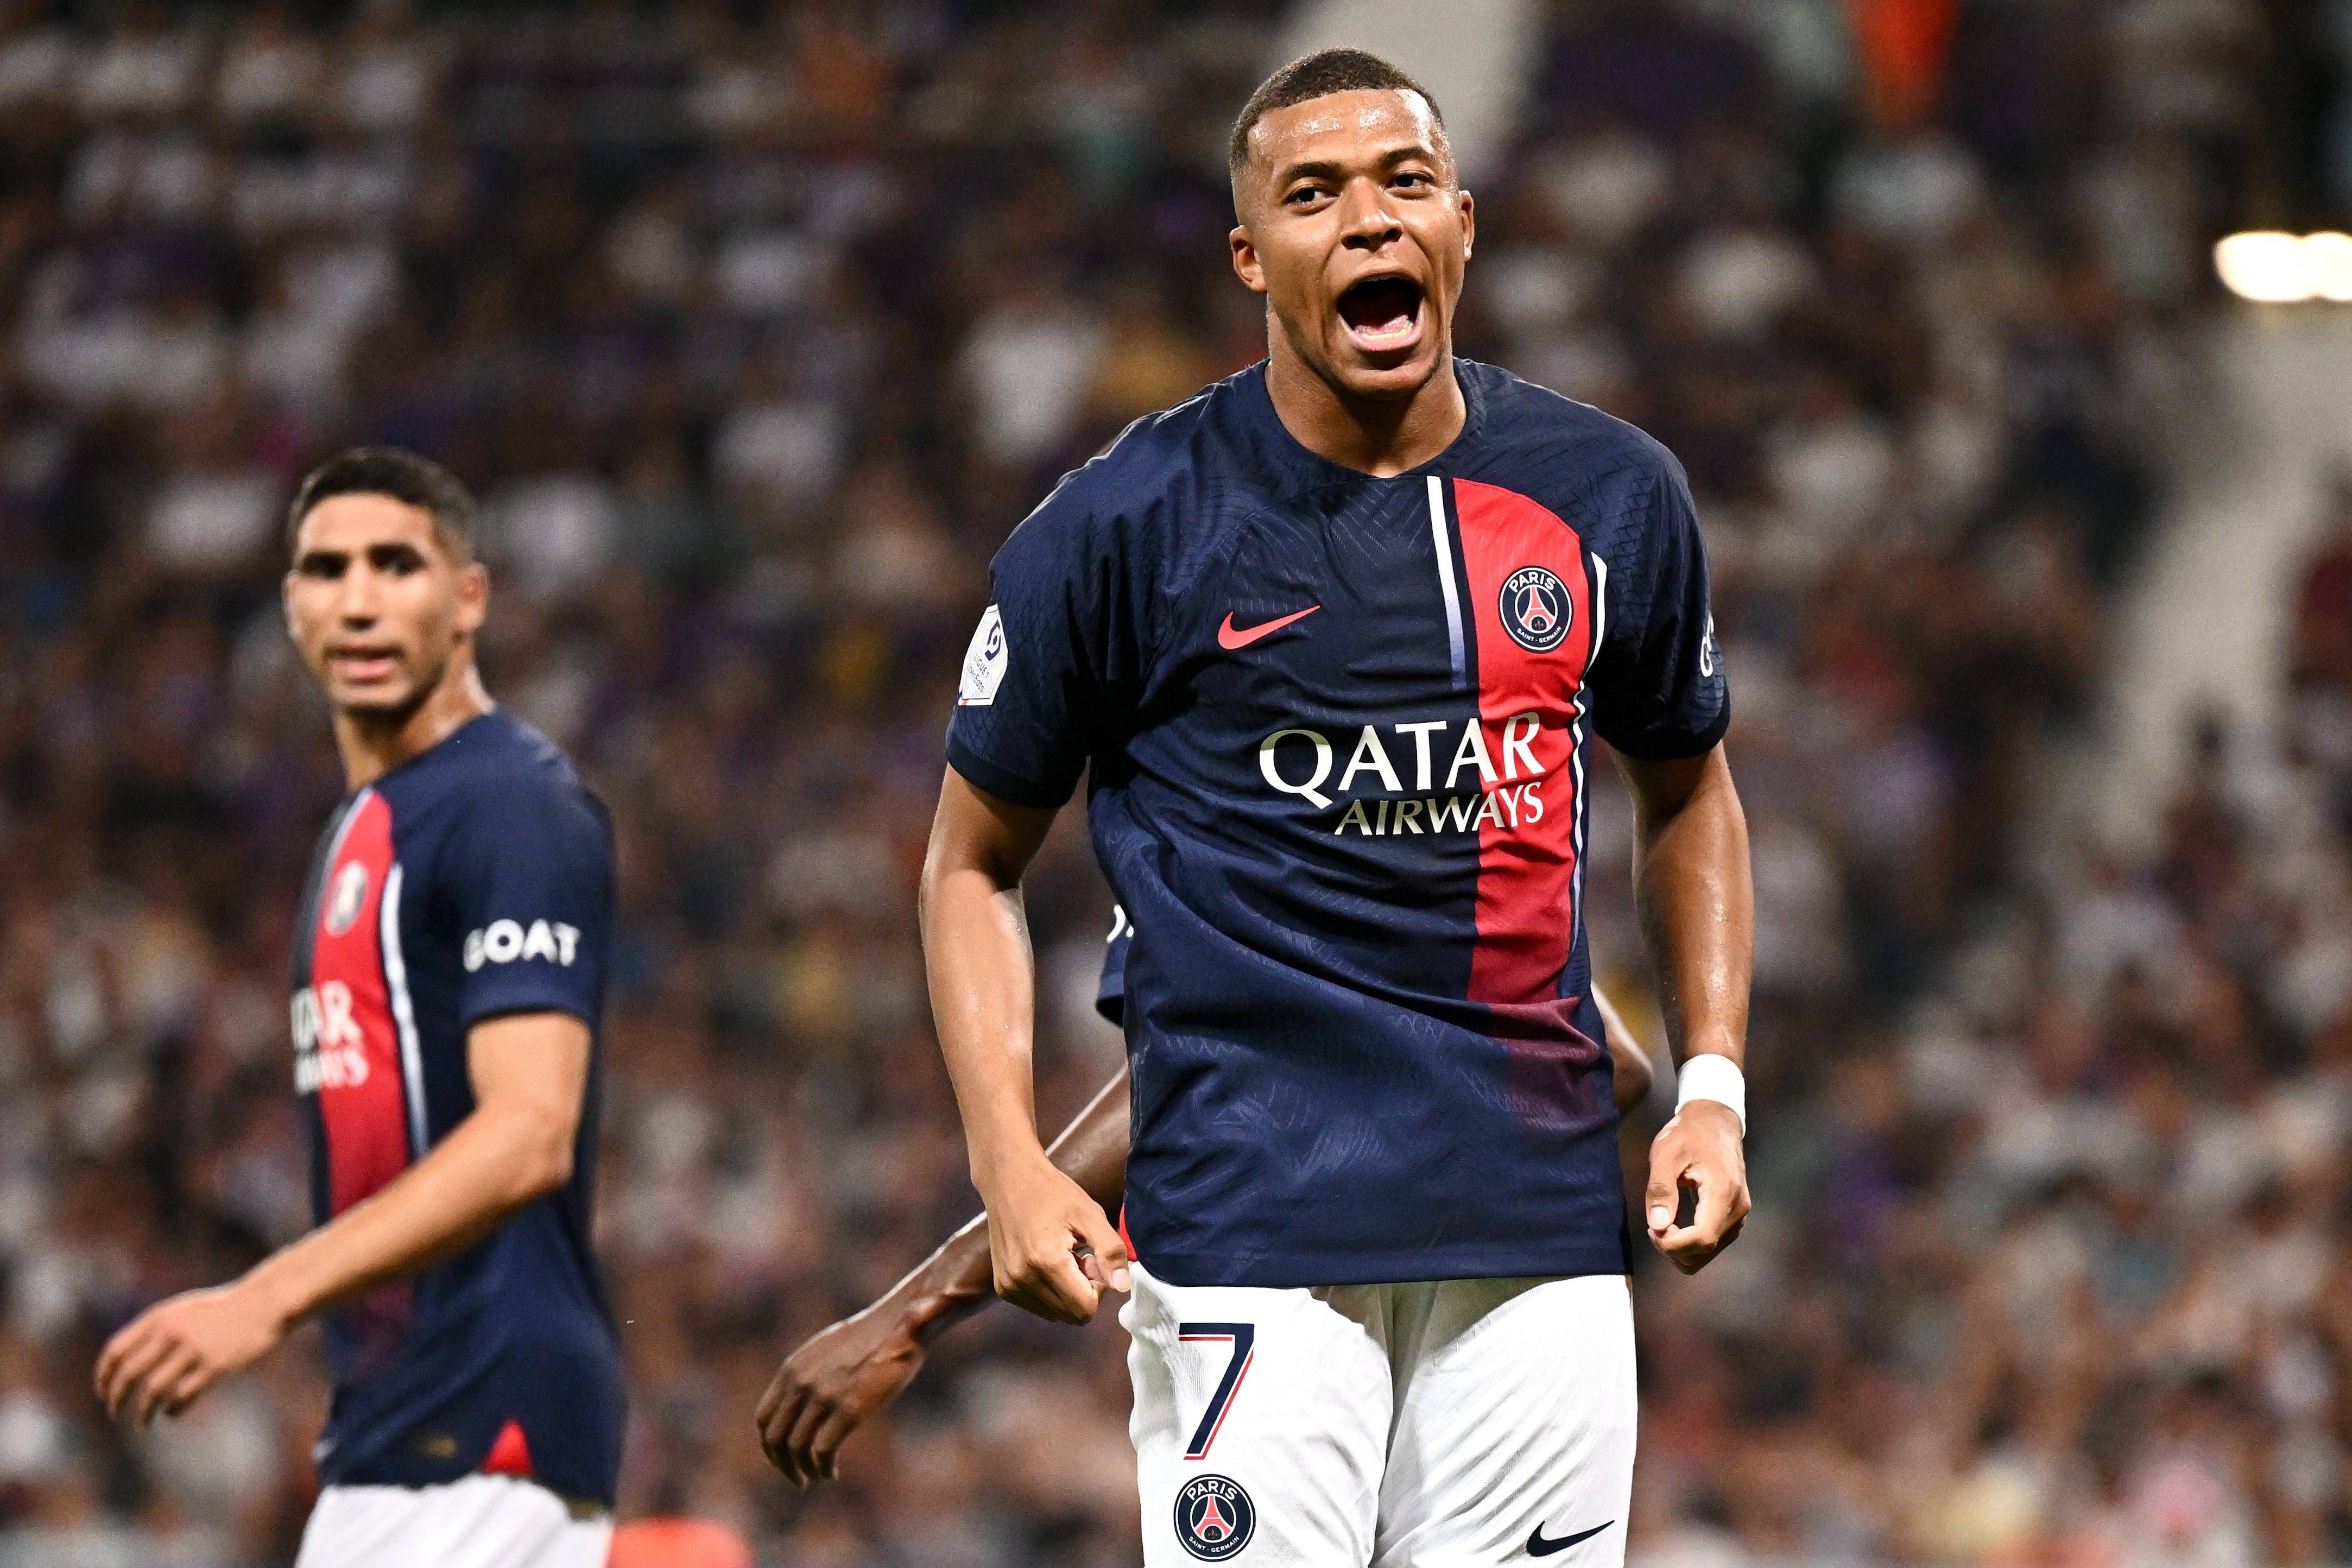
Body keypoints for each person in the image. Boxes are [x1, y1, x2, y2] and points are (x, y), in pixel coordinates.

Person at [909, 47, 1754, 1568]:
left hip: (1537, 1232)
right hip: (1248, 1231)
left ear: (1463, 225)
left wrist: (1711, 1085)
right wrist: (1005, 1160)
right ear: (1249, 256)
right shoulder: (1122, 524)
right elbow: (969, 863)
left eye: (1404, 184)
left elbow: (1686, 785)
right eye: (1313, 197)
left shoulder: (1608, 492)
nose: (1367, 224)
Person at [93, 449, 626, 1567]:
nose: (361, 597)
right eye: (327, 569)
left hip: (489, 1434)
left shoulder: (511, 805)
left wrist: (265, 1297)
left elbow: (531, 1131)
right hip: (401, 1439)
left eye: (398, 563)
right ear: (292, 605)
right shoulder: (364, 824)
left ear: (469, 597)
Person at [754, 934, 1659, 1485]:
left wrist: (916, 1306)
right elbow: (1195, 1072)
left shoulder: (1259, 774)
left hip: (1376, 1307)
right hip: (1381, 1300)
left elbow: (1605, 1060)